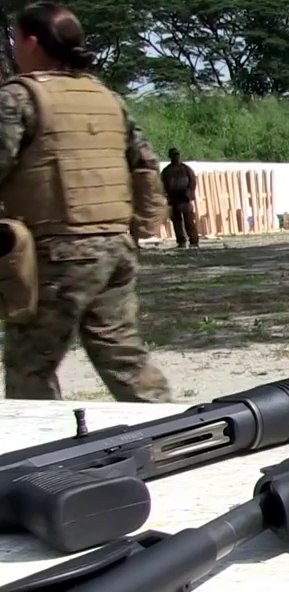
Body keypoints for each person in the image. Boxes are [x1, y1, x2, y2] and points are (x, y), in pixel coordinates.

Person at [0, 1, 171, 402]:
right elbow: (144, 162)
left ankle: (39, 456)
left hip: (57, 252)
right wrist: (146, 222)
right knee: (124, 356)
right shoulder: (107, 97)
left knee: (29, 364)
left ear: (32, 42)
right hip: (116, 247)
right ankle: (173, 433)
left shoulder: (18, 98)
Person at [161, 147, 199, 248]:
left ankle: (194, 240)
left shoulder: (186, 169)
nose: (176, 157)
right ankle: (181, 241)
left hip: (184, 198)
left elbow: (192, 182)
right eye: (174, 155)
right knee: (177, 222)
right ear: (170, 156)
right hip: (173, 199)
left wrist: (189, 194)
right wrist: (166, 195)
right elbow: (162, 184)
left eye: (177, 155)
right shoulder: (166, 171)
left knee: (189, 221)